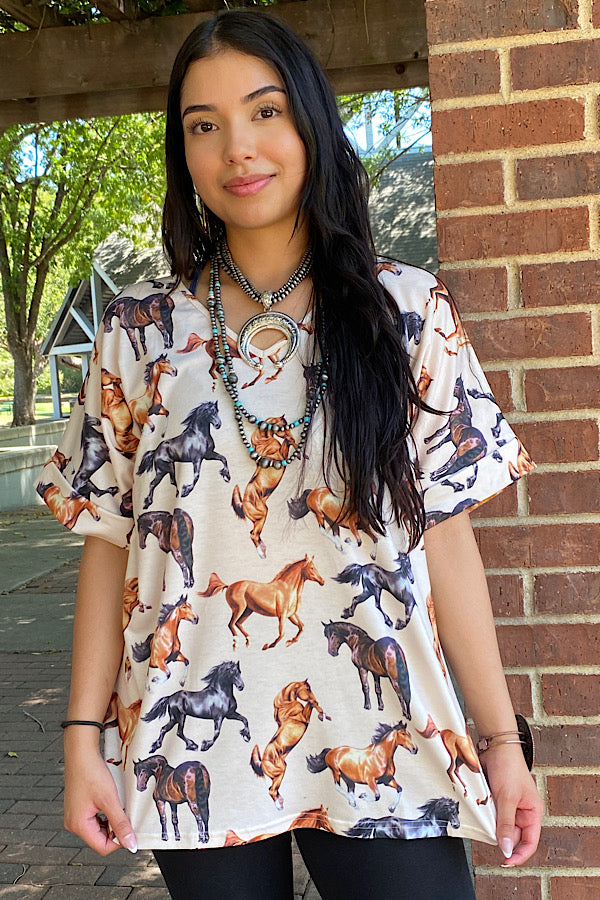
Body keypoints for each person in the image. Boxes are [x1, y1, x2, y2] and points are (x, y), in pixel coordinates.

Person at [36, 9, 543, 899]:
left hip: (394, 740)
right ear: (183, 152)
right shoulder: (137, 332)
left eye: (264, 111)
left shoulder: (408, 311)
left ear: (309, 120)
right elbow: (110, 544)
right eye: (204, 125)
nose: (238, 147)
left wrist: (501, 741)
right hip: (191, 743)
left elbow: (447, 539)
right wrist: (83, 738)